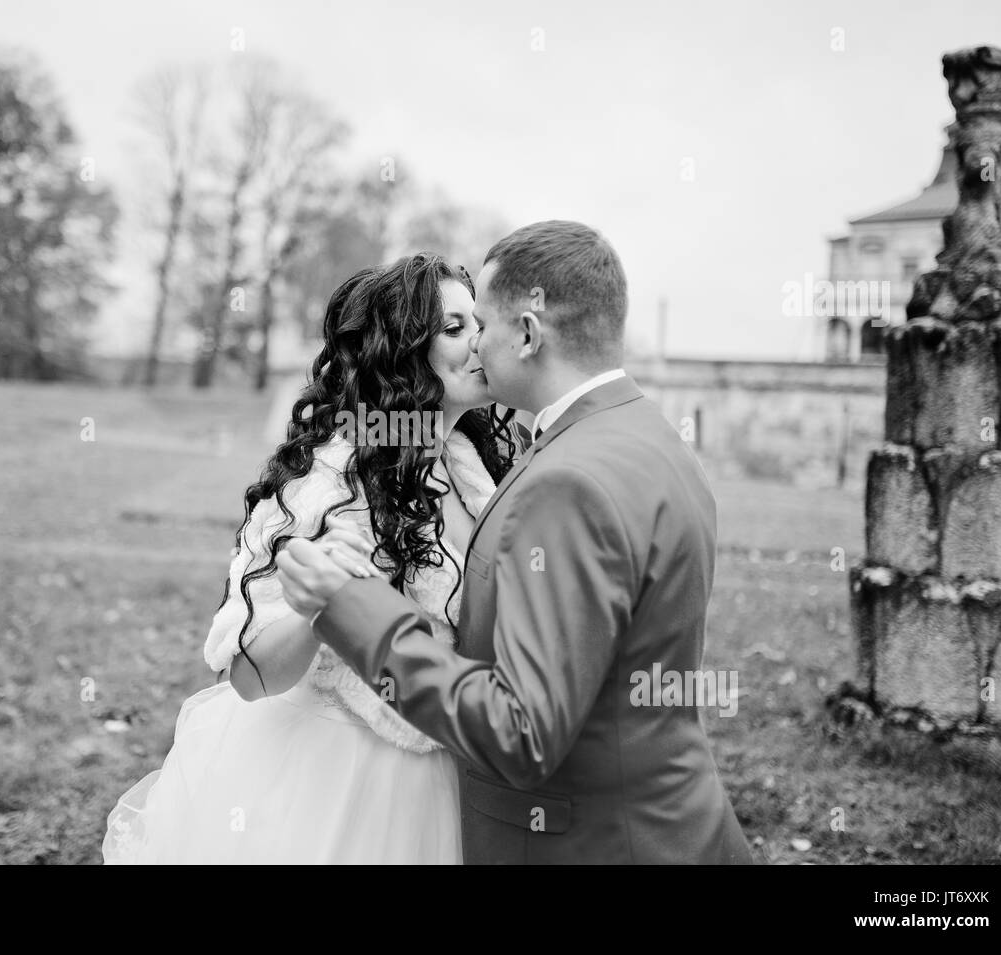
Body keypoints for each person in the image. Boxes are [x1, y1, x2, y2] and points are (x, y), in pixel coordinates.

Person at [278, 220, 754, 864]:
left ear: (527, 334)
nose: (475, 344)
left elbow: (523, 733)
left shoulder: (565, 485)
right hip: (678, 823)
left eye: (483, 323)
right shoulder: (656, 440)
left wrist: (353, 607)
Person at [103, 253, 523, 864]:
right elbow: (250, 677)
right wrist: (319, 607)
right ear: (400, 352)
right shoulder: (327, 482)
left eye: (479, 324)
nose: (480, 343)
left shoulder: (477, 470)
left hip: (444, 771)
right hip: (327, 777)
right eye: (453, 328)